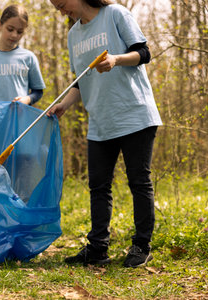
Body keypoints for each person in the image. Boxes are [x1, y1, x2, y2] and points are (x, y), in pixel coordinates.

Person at [48, 0, 162, 267]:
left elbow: (144, 53)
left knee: (139, 182)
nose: (62, 12)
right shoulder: (73, 34)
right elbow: (80, 79)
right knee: (98, 186)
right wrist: (64, 104)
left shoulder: (116, 14)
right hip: (100, 120)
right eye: (57, 8)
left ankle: (141, 246)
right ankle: (98, 248)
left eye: (62, 4)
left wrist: (116, 59)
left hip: (134, 113)